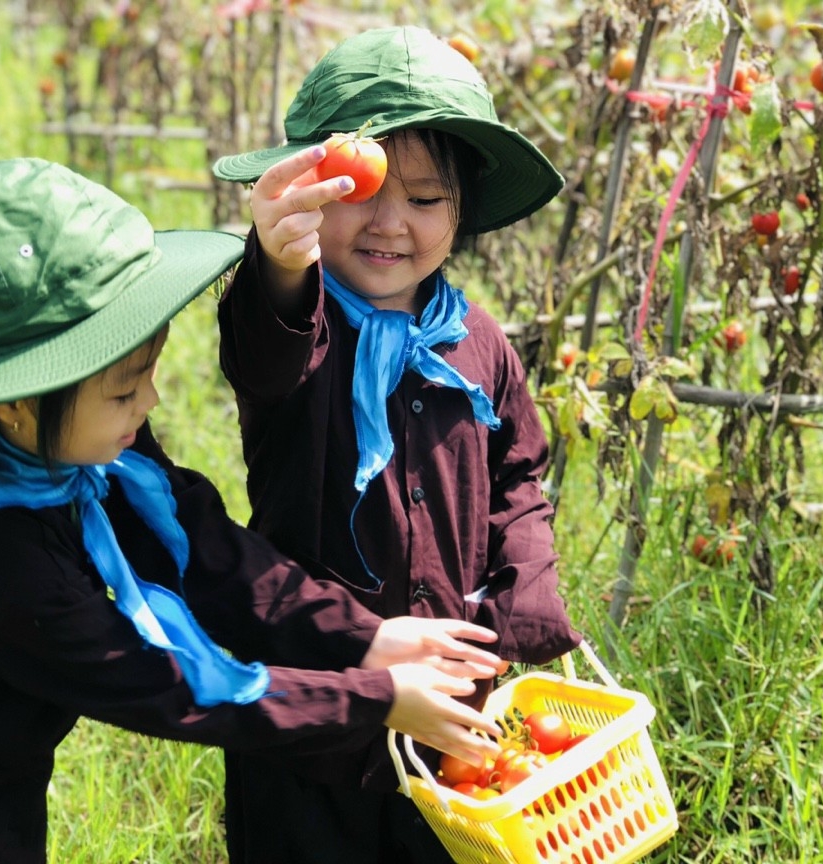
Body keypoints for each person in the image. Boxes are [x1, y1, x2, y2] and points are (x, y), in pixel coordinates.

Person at [0, 157, 513, 863]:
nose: (150, 399)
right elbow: (163, 685)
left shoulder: (65, 444)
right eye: (126, 389)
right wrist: (373, 698)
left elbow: (199, 544)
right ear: (13, 405)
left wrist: (364, 637)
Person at [212, 26, 582, 864]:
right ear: (311, 197)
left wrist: (517, 613)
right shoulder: (297, 324)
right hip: (312, 701)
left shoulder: (480, 345)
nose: (390, 224)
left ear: (463, 213)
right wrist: (276, 261)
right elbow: (261, 353)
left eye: (424, 199)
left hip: (449, 716)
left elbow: (519, 479)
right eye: (358, 191)